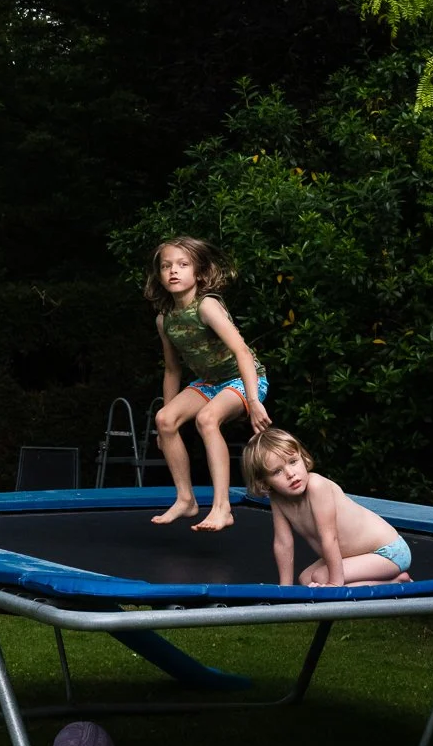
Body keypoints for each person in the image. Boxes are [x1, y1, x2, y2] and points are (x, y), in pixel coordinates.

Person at [144, 236, 271, 530]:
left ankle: (222, 507)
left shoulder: (207, 306)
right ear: (160, 275)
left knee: (207, 418)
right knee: (164, 420)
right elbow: (173, 369)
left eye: (182, 264)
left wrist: (252, 400)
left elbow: (242, 351)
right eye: (166, 266)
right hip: (210, 382)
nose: (173, 271)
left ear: (199, 272)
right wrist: (167, 421)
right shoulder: (166, 319)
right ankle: (186, 499)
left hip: (246, 378)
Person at [239, 428, 413, 586]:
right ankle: (391, 580)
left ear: (302, 457)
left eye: (293, 462)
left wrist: (335, 584)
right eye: (277, 472)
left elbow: (329, 538)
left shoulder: (317, 486)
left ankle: (393, 582)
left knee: (322, 578)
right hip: (355, 556)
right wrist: (285, 588)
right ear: (264, 481)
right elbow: (283, 543)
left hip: (388, 553)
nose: (290, 474)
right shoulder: (277, 498)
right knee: (306, 579)